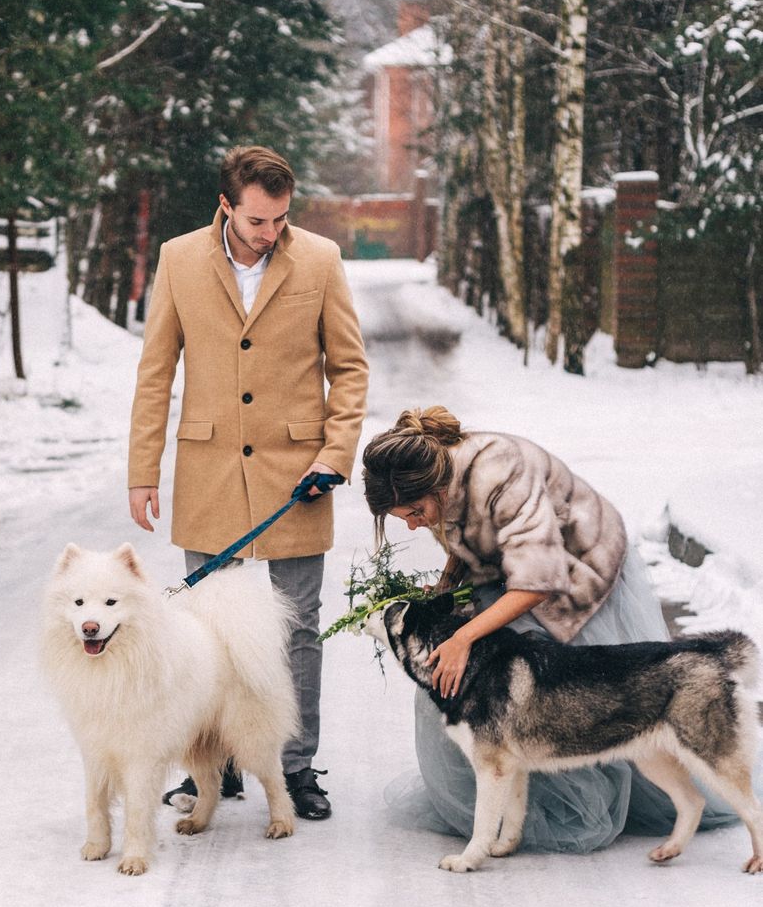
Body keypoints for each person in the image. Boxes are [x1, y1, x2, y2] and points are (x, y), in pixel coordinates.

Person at [361, 406, 738, 852]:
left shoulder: (502, 473)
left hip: (576, 569)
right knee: (460, 684)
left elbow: (538, 579)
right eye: (402, 517)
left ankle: (583, 806)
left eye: (414, 511)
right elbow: (470, 534)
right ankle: (505, 801)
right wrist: (446, 590)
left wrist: (463, 636)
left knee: (570, 693)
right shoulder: (442, 476)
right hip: (518, 572)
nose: (411, 524)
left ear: (434, 487)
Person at [128, 145, 369, 819]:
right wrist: (142, 472)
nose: (271, 234)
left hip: (299, 474)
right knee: (208, 632)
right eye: (258, 221)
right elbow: (156, 374)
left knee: (297, 630)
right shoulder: (179, 259)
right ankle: (217, 771)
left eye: (281, 220)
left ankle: (296, 770)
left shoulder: (319, 260)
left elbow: (350, 369)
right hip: (208, 474)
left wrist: (336, 452)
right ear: (227, 206)